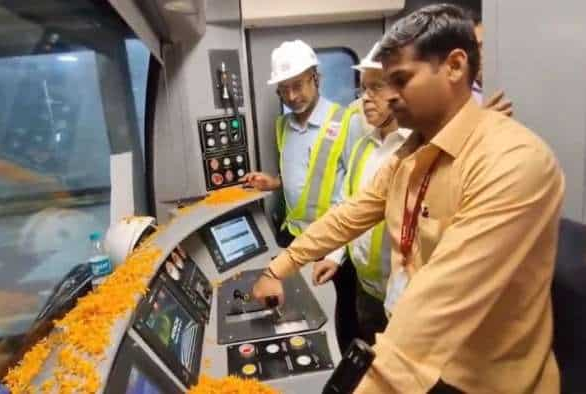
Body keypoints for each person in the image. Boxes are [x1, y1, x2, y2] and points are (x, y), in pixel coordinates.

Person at [253, 4, 563, 393]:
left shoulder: (512, 162)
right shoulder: (410, 156)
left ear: (454, 66)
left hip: (474, 382)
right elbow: (350, 214)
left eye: (399, 80)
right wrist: (278, 267)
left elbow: (439, 306)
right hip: (418, 364)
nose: (388, 97)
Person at [240, 39, 362, 353]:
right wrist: (275, 182)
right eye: (284, 89)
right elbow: (310, 177)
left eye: (299, 85)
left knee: (341, 329)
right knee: (304, 326)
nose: (292, 96)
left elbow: (358, 194)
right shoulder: (283, 127)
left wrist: (336, 254)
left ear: (316, 78)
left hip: (334, 251)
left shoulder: (346, 122)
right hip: (295, 240)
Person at [311, 42, 411, 345]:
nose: (365, 99)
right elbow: (347, 206)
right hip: (366, 288)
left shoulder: (417, 150)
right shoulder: (362, 147)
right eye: (363, 89)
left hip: (404, 299)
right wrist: (334, 255)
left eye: (376, 88)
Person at [469, 9, 513, 116]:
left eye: (489, 46)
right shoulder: (457, 94)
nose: (485, 53)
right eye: (479, 47)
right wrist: (481, 120)